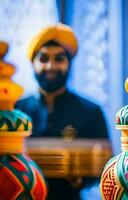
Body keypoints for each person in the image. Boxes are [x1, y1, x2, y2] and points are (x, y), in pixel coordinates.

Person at [16, 24, 108, 199]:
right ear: (33, 63)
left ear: (69, 64)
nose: (51, 66)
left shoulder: (91, 111)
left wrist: (81, 178)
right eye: (43, 59)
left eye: (59, 59)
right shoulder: (15, 111)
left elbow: (103, 165)